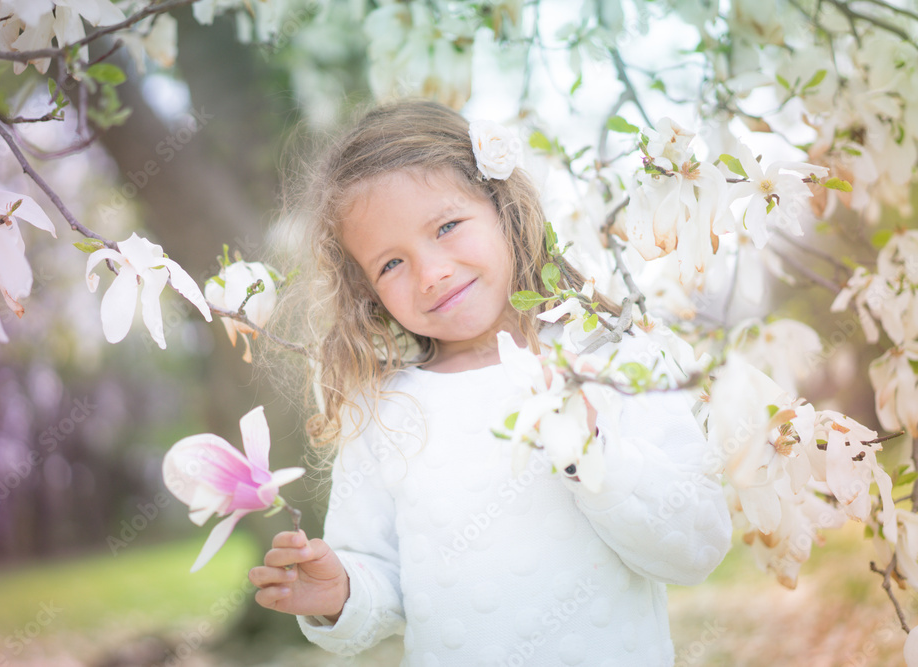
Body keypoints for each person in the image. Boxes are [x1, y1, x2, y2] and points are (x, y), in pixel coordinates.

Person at [248, 99, 732, 666]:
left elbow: (697, 547)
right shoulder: (385, 411)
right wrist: (341, 597)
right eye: (391, 264)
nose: (432, 273)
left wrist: (594, 455)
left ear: (504, 207)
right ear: (365, 290)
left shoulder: (609, 354)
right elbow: (383, 584)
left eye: (447, 227)